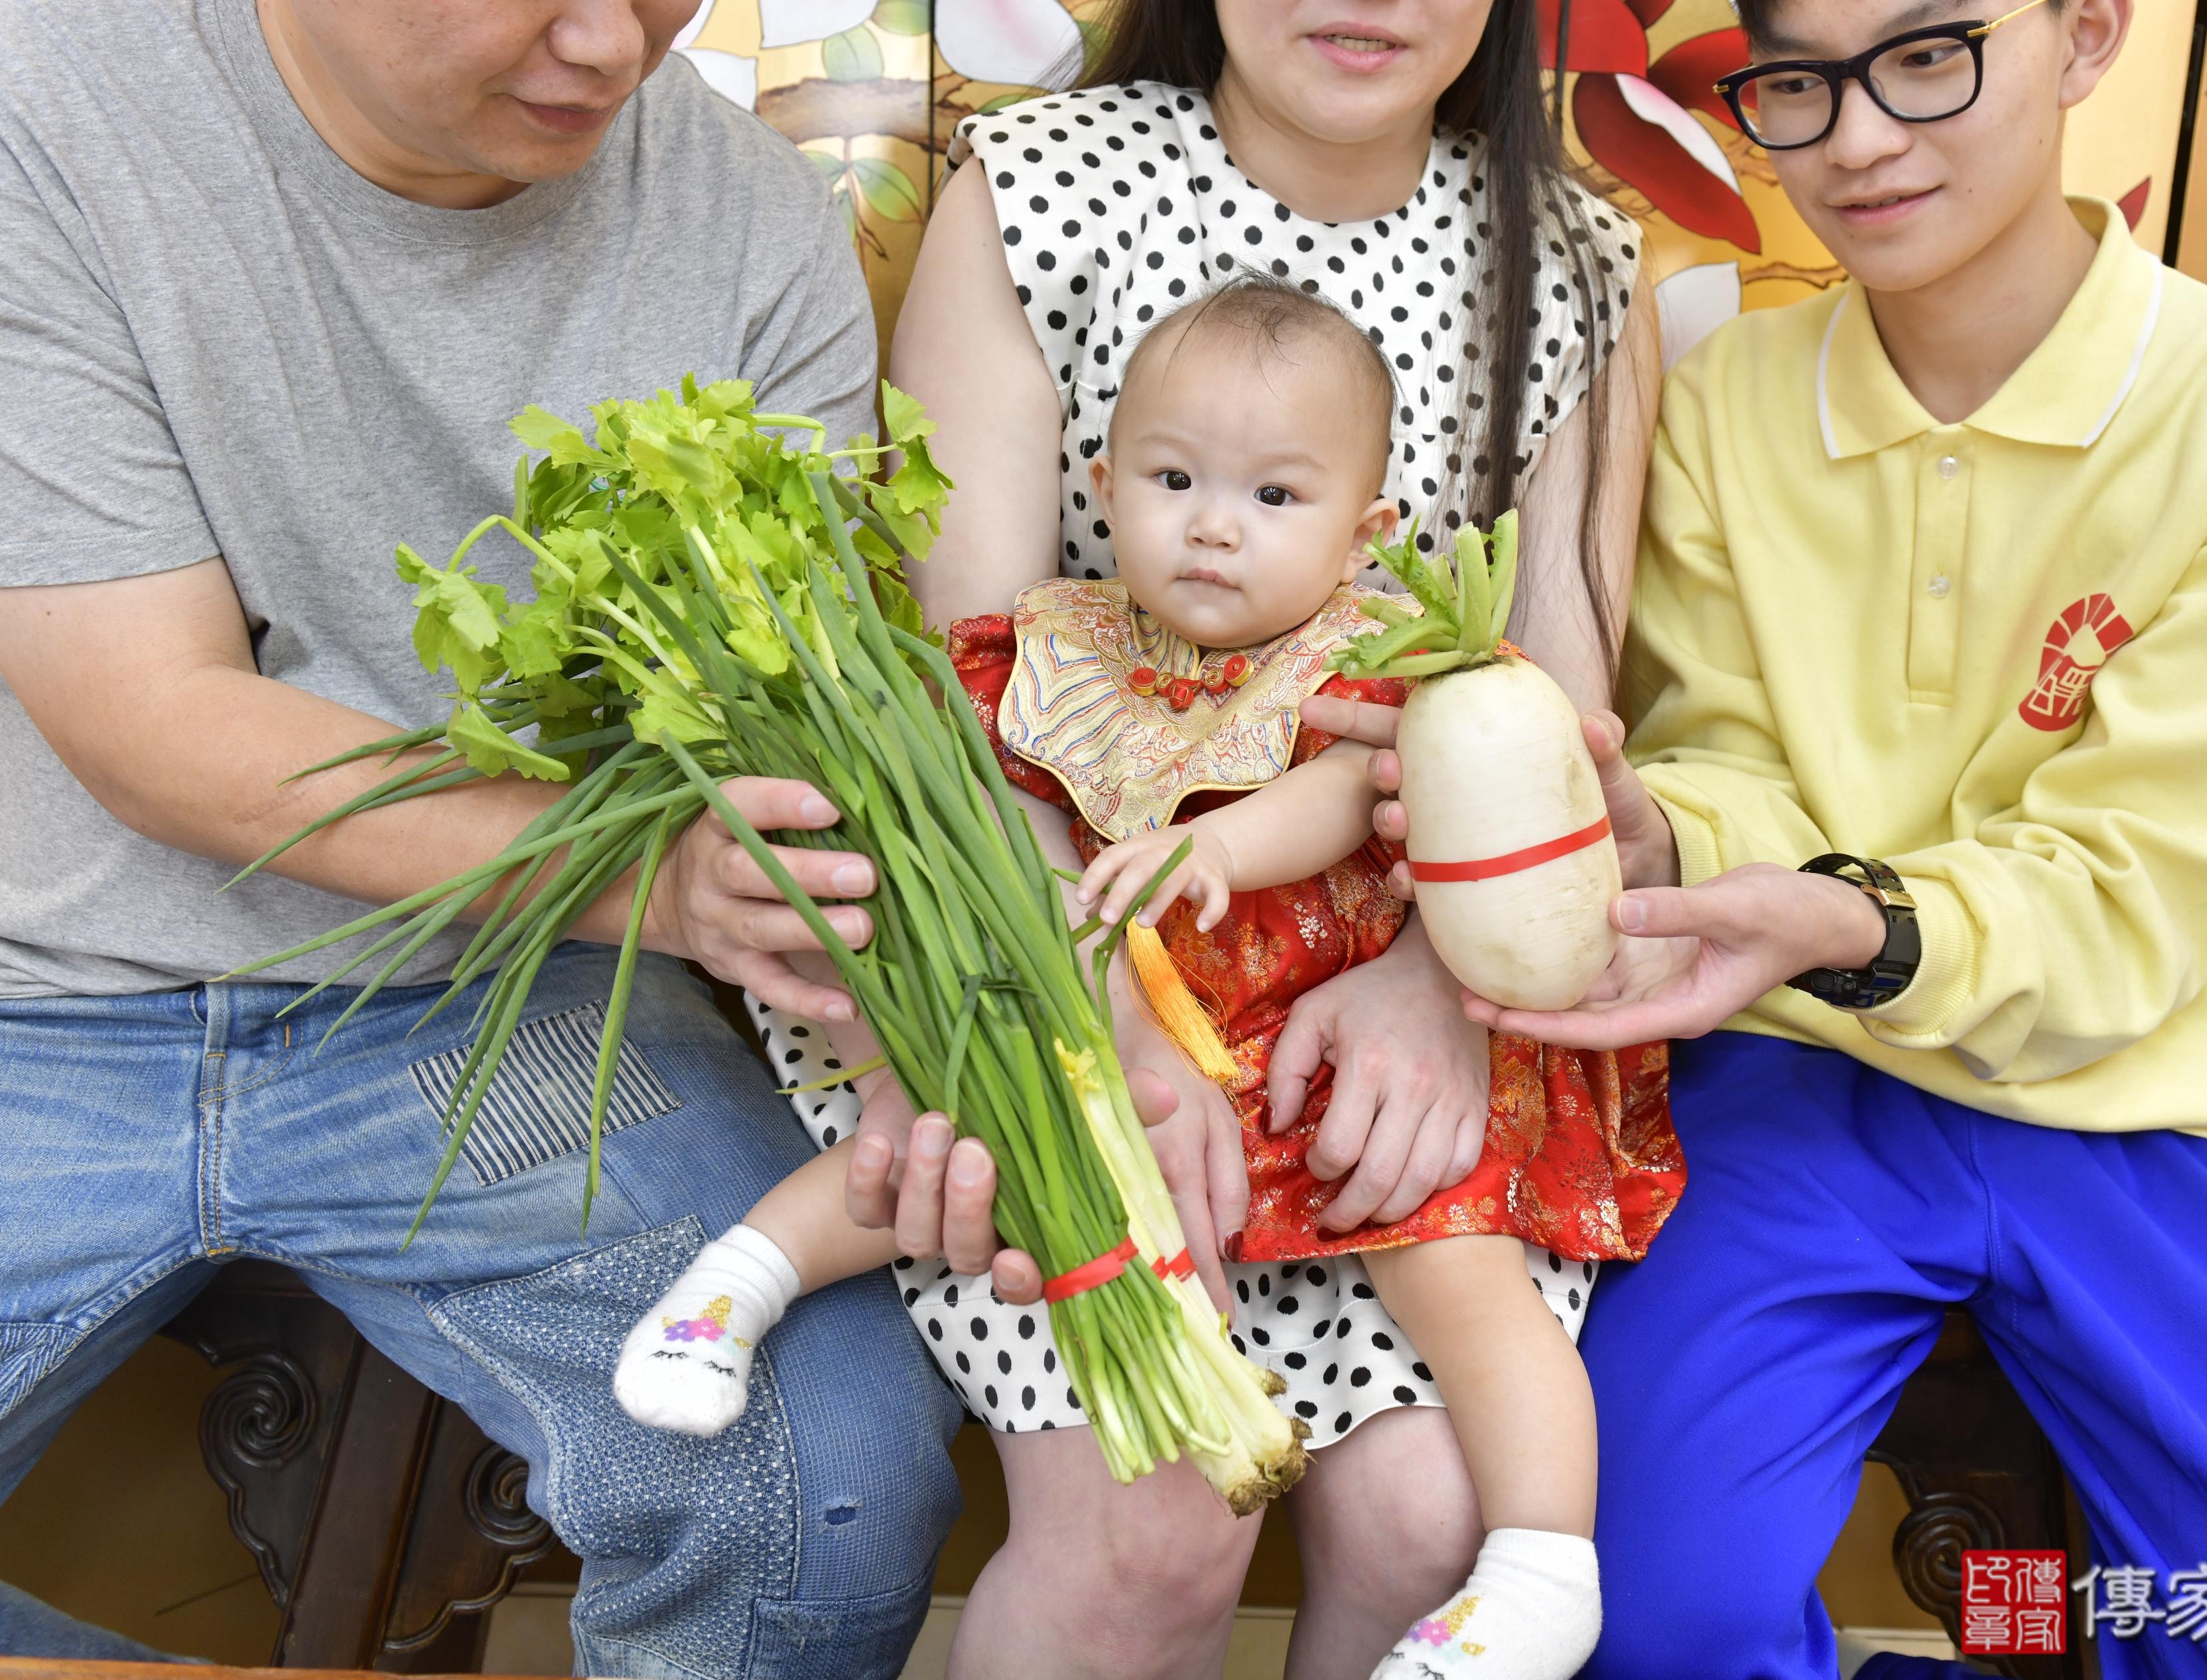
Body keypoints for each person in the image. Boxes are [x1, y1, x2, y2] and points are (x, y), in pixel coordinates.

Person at [0, 0, 980, 1673]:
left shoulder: (743, 227)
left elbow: (811, 740)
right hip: (34, 996)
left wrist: (919, 1031)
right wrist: (655, 879)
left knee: (823, 1493)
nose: (613, 32)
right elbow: (162, 731)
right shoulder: (10, 126)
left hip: (510, 1004)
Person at [1380, 0, 2207, 1673]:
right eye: (1795, 81)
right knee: (1648, 1614)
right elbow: (1724, 764)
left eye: (1929, 57)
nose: (1856, 140)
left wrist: (1840, 920)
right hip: (1790, 1090)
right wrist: (1646, 830)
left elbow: (2135, 893)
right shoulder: (1722, 399)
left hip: (2140, 1104)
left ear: (2084, 30)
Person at [785, 0, 1664, 1667]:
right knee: (1154, 1531)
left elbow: (1562, 733)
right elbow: (976, 713)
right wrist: (1110, 1030)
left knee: (1430, 1516)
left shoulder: (1573, 261)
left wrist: (1441, 979)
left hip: (1398, 992)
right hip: (1066, 945)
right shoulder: (1041, 189)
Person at [620, 277, 1679, 1680]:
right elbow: (989, 793)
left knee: (1453, 1249)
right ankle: (731, 1288)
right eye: (1173, 478)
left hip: (1317, 1033)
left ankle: (1547, 1557)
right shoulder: (1058, 644)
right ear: (1104, 479)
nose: (1215, 522)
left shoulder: (1377, 652)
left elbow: (1353, 797)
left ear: (1367, 530)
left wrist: (1212, 845)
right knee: (969, 1131)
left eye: (1276, 495)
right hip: (1107, 1021)